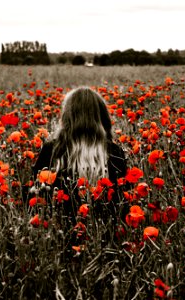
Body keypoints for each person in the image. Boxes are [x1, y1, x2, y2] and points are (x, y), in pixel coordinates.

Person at [31, 86, 127, 235]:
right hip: (105, 234)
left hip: (59, 234)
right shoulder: (114, 152)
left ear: (67, 117)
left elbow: (35, 194)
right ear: (102, 117)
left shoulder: (52, 150)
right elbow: (123, 201)